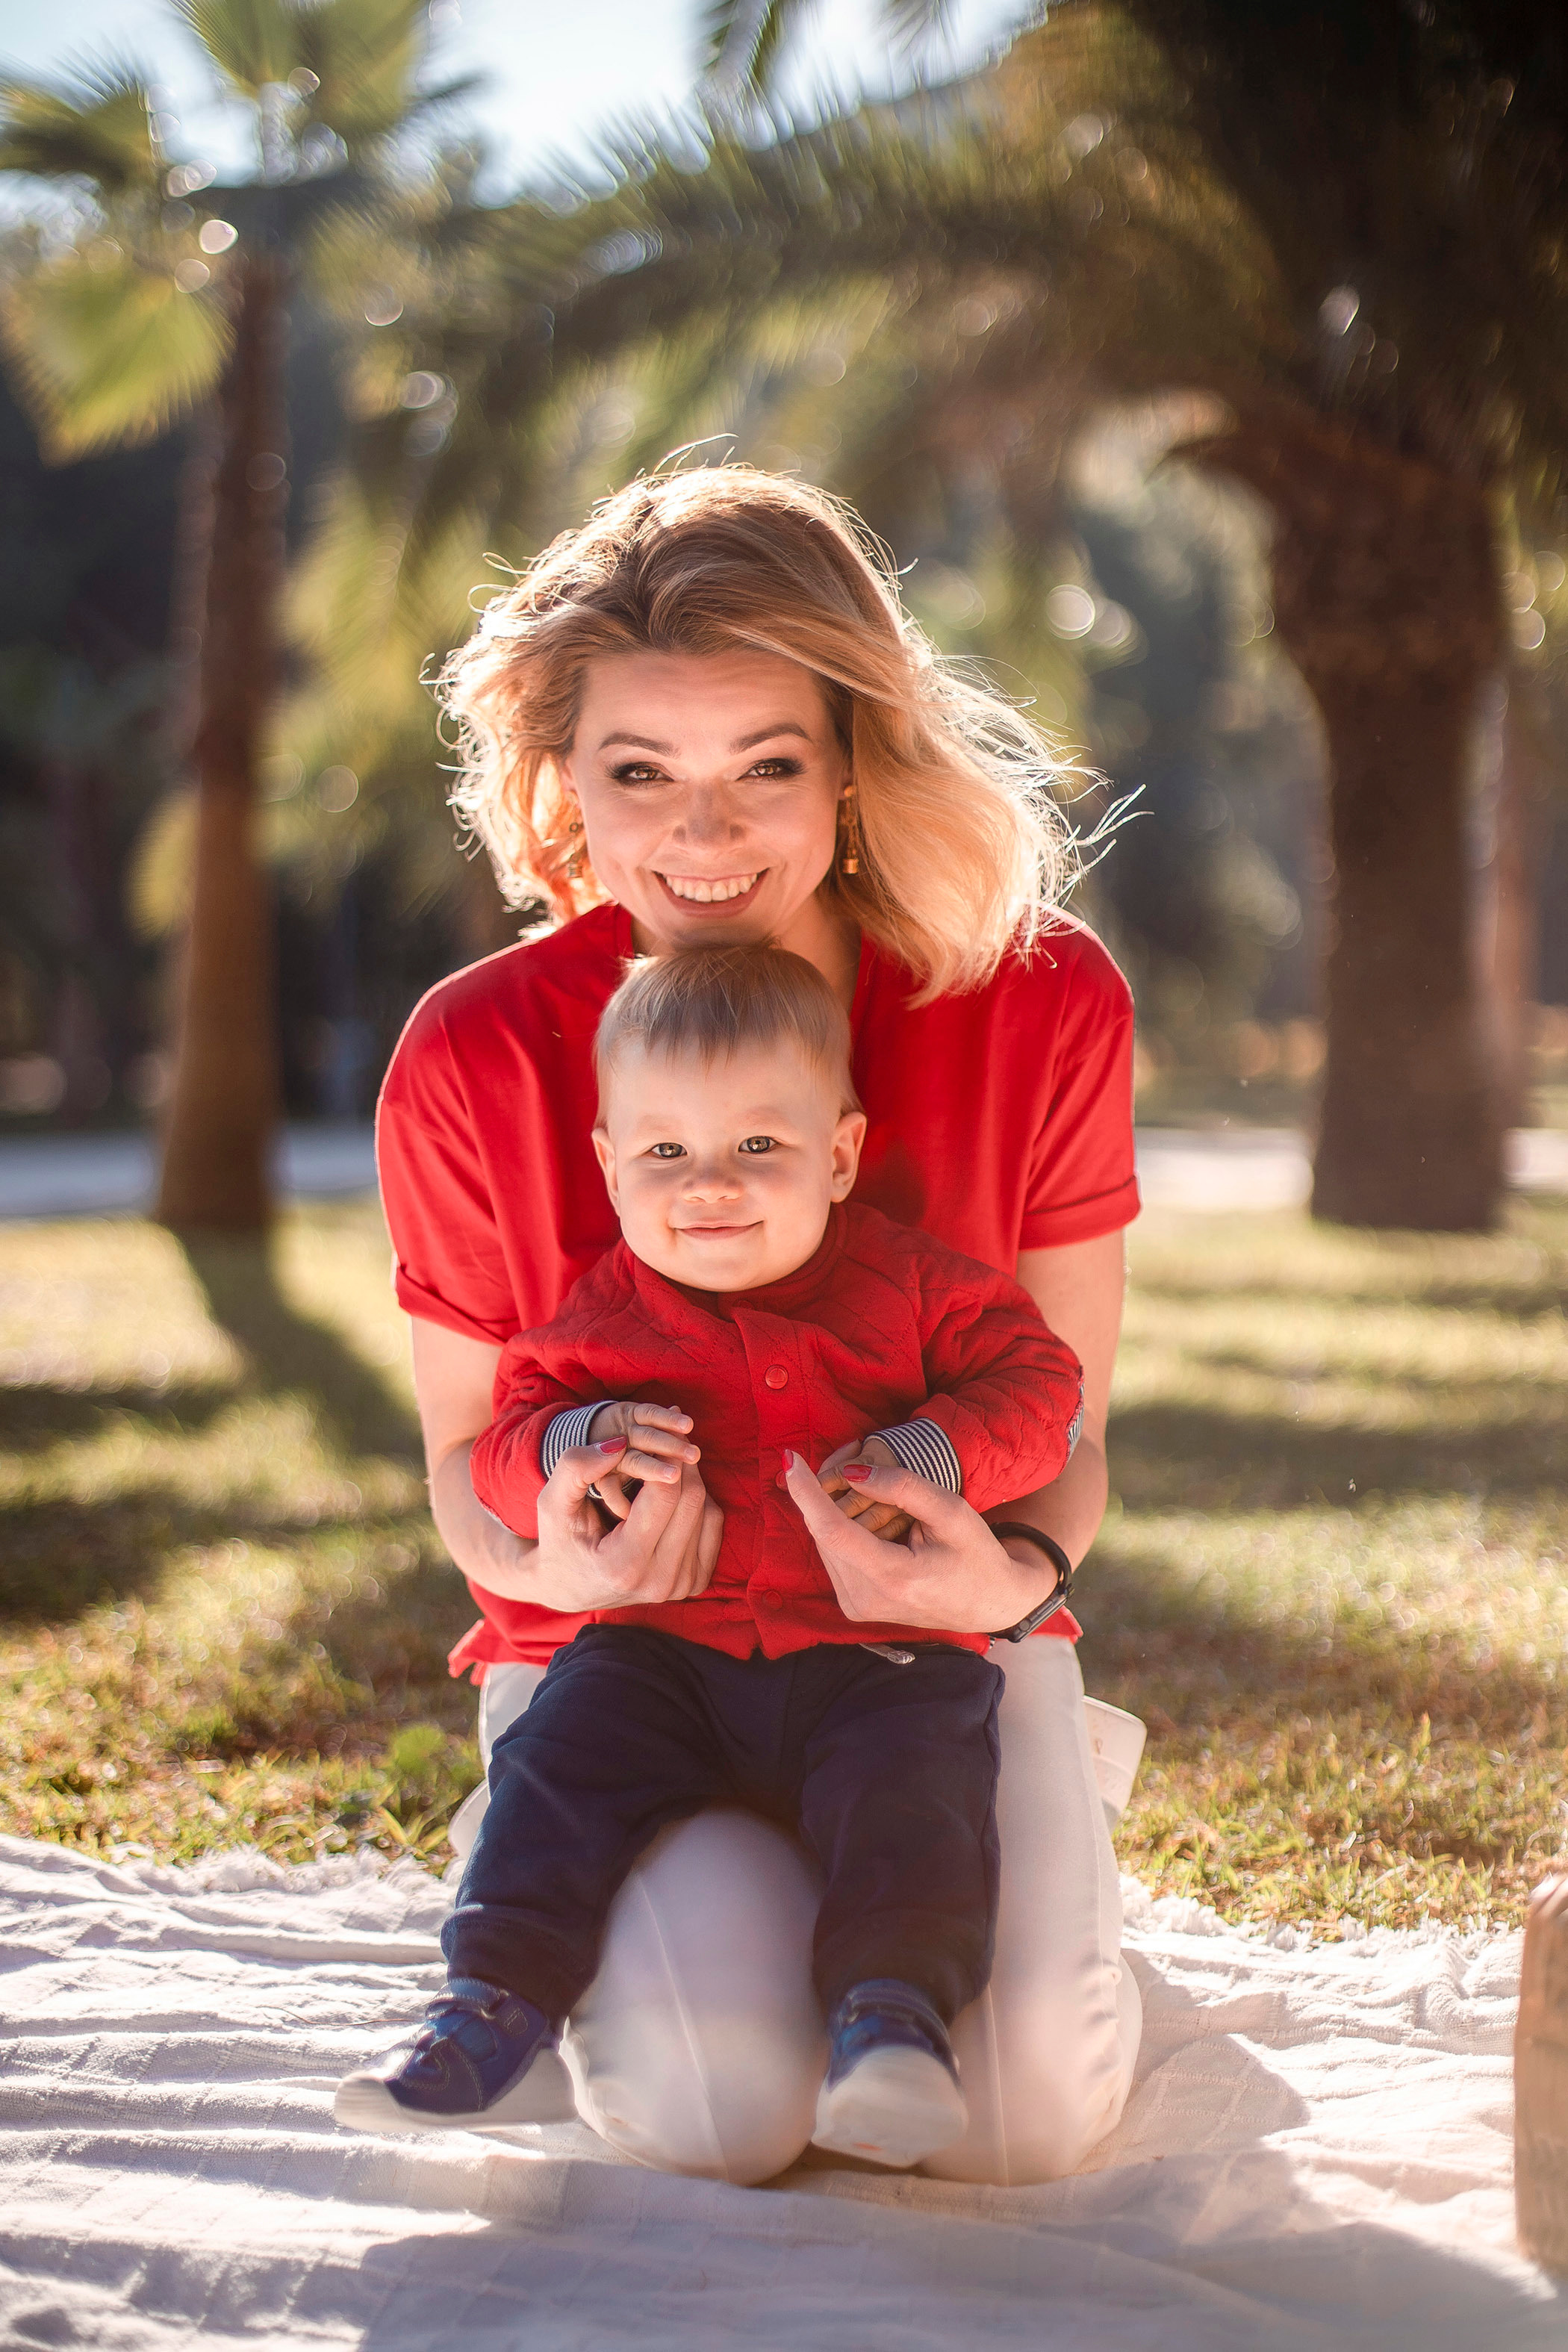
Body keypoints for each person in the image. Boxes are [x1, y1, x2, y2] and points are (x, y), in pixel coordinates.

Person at [375, 463, 1143, 2186]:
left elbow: (1068, 1425)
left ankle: (1022, 1828)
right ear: (558, 779)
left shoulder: (1039, 999)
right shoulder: (470, 1054)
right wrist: (555, 1573)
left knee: (1024, 2123)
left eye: (765, 769)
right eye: (639, 771)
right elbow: (458, 1454)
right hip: (616, 1667)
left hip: (926, 1660)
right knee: (716, 2122)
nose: (701, 840)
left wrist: (1009, 1588)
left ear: (855, 761)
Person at [337, 946, 1086, 2168]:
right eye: (666, 1153)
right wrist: (574, 1448)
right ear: (609, 1166)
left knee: (916, 1793)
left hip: (874, 1654)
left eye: (758, 1149)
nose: (710, 1189)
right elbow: (501, 1440)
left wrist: (938, 1452)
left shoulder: (908, 1283)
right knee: (558, 1762)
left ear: (840, 1154)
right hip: (665, 1656)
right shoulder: (601, 1315)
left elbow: (1042, 1383)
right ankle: (493, 2005)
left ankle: (890, 2020)